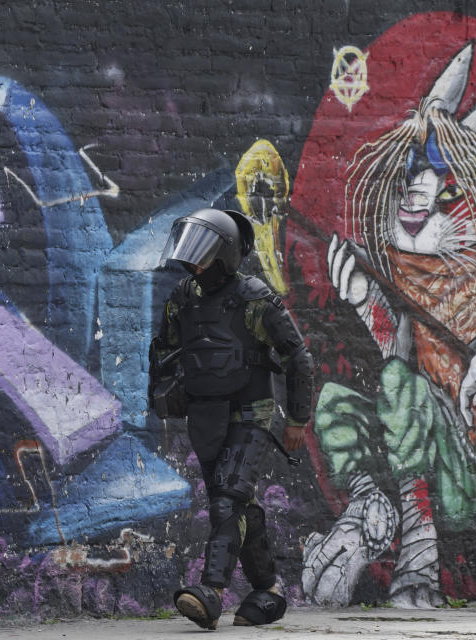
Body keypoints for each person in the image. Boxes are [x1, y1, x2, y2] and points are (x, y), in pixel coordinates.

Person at [148, 207, 314, 629]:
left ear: (224, 255)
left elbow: (298, 357)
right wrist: (161, 392)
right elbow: (163, 349)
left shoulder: (255, 298)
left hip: (250, 412)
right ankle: (268, 592)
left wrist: (297, 418)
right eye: (190, 255)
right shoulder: (184, 297)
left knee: (226, 499)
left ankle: (211, 591)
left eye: (202, 255)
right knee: (239, 506)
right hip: (205, 413)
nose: (193, 263)